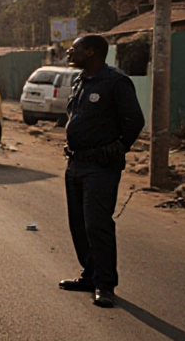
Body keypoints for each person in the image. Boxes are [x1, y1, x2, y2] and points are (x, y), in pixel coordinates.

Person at [58, 34, 144, 309]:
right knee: (79, 225)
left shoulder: (115, 82)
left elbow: (134, 120)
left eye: (75, 49)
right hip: (75, 163)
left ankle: (105, 285)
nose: (69, 53)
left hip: (100, 167)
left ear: (91, 52)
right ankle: (89, 275)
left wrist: (119, 148)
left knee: (98, 224)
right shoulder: (81, 81)